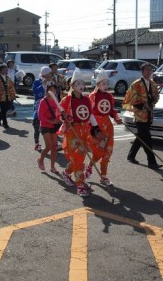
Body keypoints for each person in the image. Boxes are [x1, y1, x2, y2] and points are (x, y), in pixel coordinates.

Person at [59, 69, 103, 197]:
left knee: (80, 157)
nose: (80, 86)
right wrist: (64, 117)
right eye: (77, 84)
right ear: (72, 86)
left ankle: (66, 173)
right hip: (72, 131)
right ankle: (80, 186)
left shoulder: (86, 99)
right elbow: (59, 114)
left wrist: (96, 127)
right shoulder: (66, 100)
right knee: (78, 159)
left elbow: (90, 114)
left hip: (84, 131)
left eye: (82, 84)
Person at [85, 71, 122, 186]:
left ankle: (103, 176)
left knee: (108, 152)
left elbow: (112, 110)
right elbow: (89, 113)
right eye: (103, 84)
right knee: (99, 152)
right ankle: (90, 167)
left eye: (107, 83)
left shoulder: (110, 96)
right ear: (98, 84)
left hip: (108, 127)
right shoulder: (92, 96)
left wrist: (116, 117)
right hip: (97, 127)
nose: (105, 86)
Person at [122, 62, 162, 170]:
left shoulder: (153, 83)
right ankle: (151, 162)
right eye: (146, 70)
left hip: (149, 114)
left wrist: (152, 102)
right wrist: (144, 105)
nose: (149, 72)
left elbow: (156, 96)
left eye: (150, 70)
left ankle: (131, 155)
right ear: (142, 71)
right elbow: (132, 99)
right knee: (147, 138)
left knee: (141, 136)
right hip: (140, 115)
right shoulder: (136, 84)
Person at [37, 83, 61, 173]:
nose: (53, 91)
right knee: (49, 146)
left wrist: (59, 119)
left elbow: (59, 113)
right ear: (47, 91)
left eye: (54, 90)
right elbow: (40, 116)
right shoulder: (43, 101)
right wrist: (50, 121)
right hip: (45, 126)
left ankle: (52, 167)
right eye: (51, 89)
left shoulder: (56, 101)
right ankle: (41, 159)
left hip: (54, 127)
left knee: (54, 147)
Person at [32, 66, 53, 151]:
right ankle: (37, 143)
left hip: (50, 107)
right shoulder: (37, 81)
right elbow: (35, 93)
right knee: (37, 127)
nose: (51, 75)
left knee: (49, 127)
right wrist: (43, 85)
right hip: (39, 107)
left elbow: (55, 92)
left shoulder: (51, 82)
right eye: (49, 73)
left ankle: (51, 144)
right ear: (45, 74)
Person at [0, 63, 16, 129]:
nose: (5, 70)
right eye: (3, 69)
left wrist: (13, 94)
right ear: (0, 70)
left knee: (6, 109)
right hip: (1, 96)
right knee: (3, 109)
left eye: (6, 69)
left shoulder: (8, 78)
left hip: (8, 96)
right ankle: (5, 123)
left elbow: (12, 87)